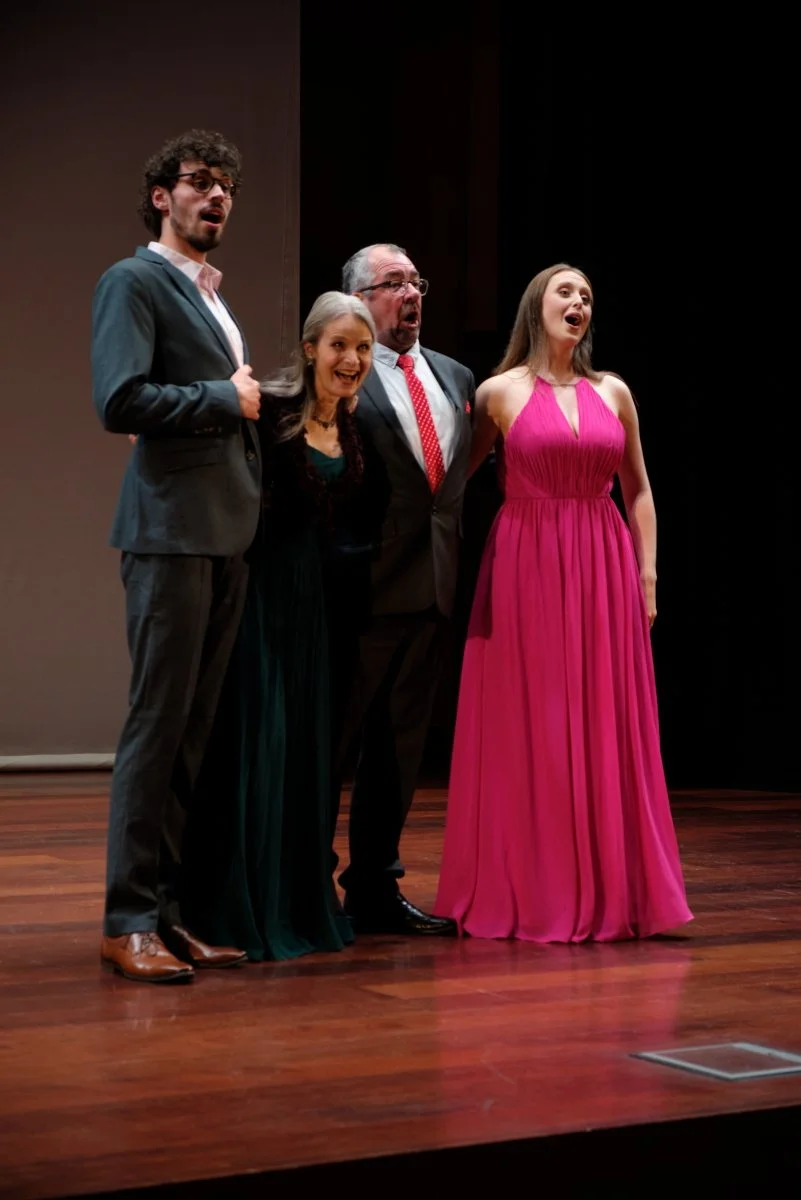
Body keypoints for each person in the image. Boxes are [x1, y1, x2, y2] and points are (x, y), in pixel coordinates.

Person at [435, 263, 693, 942]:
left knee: (603, 721)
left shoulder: (614, 391)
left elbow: (637, 490)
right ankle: (537, 883)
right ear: (536, 307)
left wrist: (648, 574)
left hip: (603, 565)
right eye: (564, 292)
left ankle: (614, 886)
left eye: (585, 296)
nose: (576, 302)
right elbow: (451, 483)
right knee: (537, 723)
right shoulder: (496, 392)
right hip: (524, 565)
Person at [92, 130, 262, 983]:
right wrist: (223, 397)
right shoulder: (134, 281)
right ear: (162, 195)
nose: (217, 196)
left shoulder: (209, 297)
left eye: (226, 184)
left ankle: (167, 913)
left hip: (222, 534)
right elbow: (118, 398)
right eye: (199, 182)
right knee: (157, 730)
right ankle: (127, 920)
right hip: (168, 534)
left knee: (192, 735)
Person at [181, 292, 375, 960]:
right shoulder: (271, 412)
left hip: (312, 610)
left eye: (362, 348)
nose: (350, 360)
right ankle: (236, 906)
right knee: (255, 746)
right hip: (259, 598)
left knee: (300, 751)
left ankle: (296, 899)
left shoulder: (349, 426)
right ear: (311, 347)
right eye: (339, 345)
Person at [333, 243, 475, 935]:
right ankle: (303, 882)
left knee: (400, 750)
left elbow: (448, 488)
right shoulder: (342, 375)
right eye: (393, 284)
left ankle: (374, 888)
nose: (410, 293)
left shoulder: (454, 376)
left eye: (416, 280)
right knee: (332, 748)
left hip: (431, 590)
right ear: (360, 299)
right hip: (359, 592)